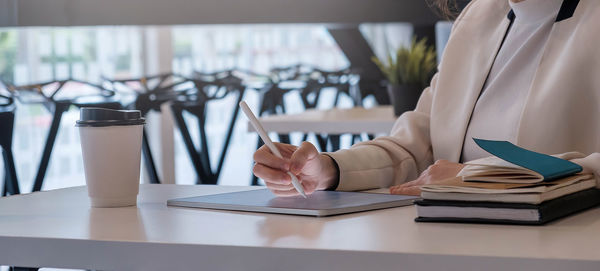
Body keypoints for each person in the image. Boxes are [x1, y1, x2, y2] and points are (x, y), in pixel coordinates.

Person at [253, 0, 600, 197]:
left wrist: (475, 177)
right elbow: (415, 147)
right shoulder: (479, 17)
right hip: (450, 243)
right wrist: (328, 169)